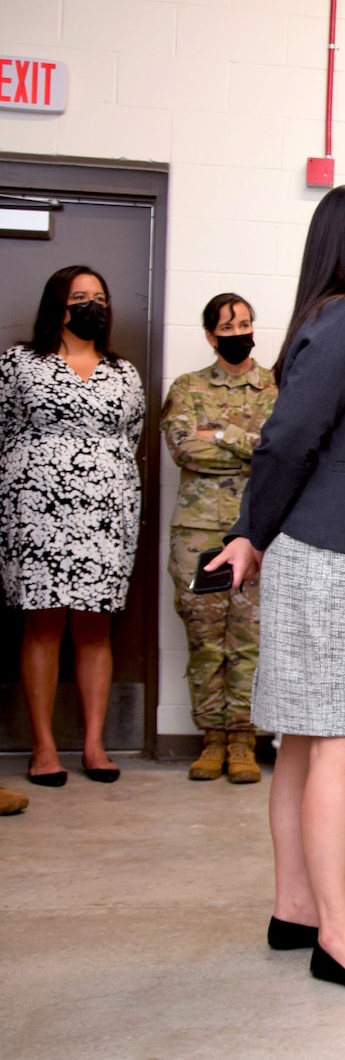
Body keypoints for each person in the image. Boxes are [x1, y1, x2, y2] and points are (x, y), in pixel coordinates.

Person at [213, 184, 345, 994]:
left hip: (325, 548)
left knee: (306, 739)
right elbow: (287, 440)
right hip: (327, 552)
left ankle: (296, 907)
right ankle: (336, 938)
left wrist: (257, 534)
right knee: (343, 742)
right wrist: (249, 531)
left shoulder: (338, 321)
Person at [0, 265, 145, 787]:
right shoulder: (19, 363)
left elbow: (132, 438)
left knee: (94, 626)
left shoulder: (124, 372)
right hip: (35, 511)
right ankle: (42, 747)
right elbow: (4, 430)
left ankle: (94, 744)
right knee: (43, 624)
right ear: (56, 305)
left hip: (107, 513)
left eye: (100, 297)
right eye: (79, 296)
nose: (91, 305)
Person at [162, 293, 278, 783]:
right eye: (227, 328)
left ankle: (243, 741)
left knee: (250, 641)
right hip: (199, 535)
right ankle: (211, 739)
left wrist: (219, 434)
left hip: (258, 532)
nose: (238, 334)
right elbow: (183, 449)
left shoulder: (276, 386)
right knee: (206, 640)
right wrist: (245, 445)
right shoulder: (187, 387)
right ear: (211, 335)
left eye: (245, 324)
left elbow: (279, 450)